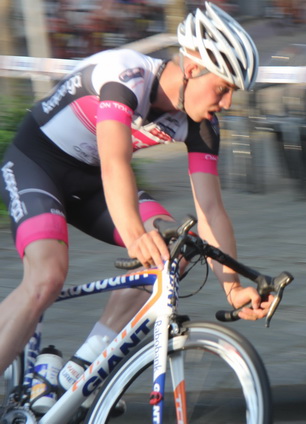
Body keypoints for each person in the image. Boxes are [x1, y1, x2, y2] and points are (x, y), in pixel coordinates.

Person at [0, 1, 271, 377]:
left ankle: (81, 369)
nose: (226, 103)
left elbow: (210, 209)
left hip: (93, 182)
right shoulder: (126, 75)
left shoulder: (202, 123)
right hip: (37, 165)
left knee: (176, 246)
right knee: (47, 277)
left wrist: (233, 288)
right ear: (192, 68)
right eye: (223, 88)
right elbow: (116, 162)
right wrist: (135, 235)